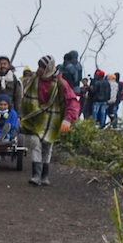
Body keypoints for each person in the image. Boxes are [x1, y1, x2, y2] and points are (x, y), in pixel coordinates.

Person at [16, 54, 80, 187]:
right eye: (39, 66)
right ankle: (36, 175)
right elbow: (25, 98)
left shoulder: (61, 83)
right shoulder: (34, 79)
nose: (39, 69)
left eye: (42, 67)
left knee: (47, 146)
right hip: (35, 117)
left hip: (53, 119)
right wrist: (21, 115)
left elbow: (72, 101)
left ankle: (45, 175)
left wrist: (68, 119)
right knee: (34, 143)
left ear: (48, 68)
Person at [0, 94, 19, 160]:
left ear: (8, 105)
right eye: (1, 104)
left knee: (7, 137)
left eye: (5, 105)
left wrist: (12, 135)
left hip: (7, 134)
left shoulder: (13, 114)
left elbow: (14, 126)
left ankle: (1, 137)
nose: (2, 107)